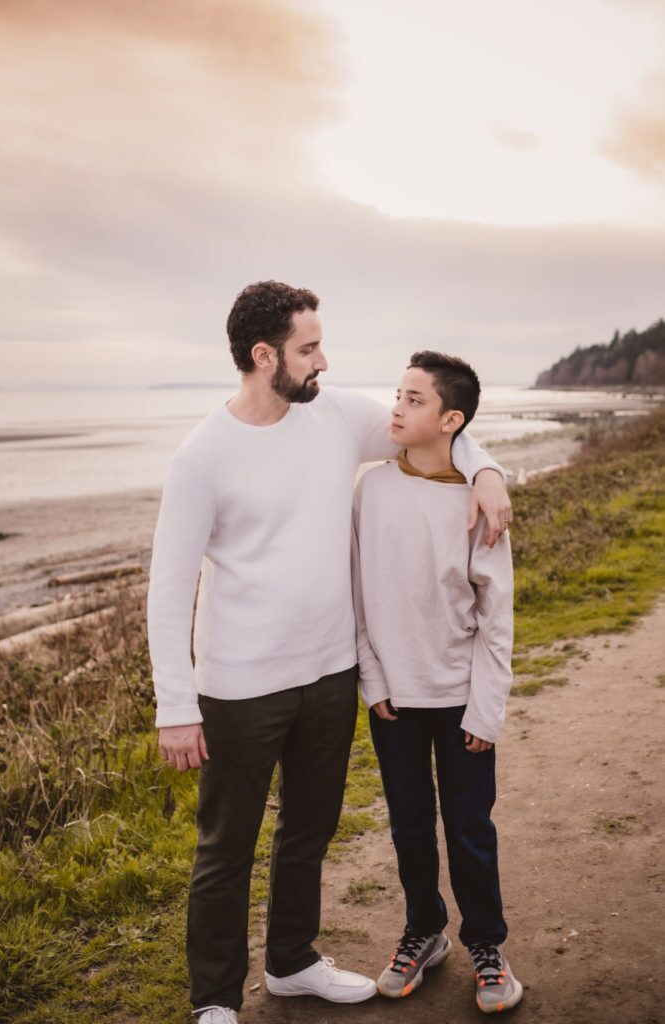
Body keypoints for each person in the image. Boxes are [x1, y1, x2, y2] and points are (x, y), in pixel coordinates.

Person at [147, 282, 513, 1024]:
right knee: (226, 850)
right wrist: (175, 705)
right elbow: (169, 586)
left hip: (329, 675)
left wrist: (487, 472)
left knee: (306, 834)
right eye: (309, 348)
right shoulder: (200, 458)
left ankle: (292, 963)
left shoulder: (335, 415)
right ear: (264, 356)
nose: (324, 360)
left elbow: (442, 427)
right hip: (240, 685)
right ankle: (215, 999)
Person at [351, 350, 523, 1014]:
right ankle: (423, 930)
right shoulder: (370, 489)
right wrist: (372, 680)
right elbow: (358, 595)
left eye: (414, 399)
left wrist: (485, 709)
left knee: (469, 830)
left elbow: (495, 617)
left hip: (459, 700)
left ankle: (486, 944)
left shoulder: (480, 506)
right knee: (408, 828)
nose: (395, 407)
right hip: (393, 699)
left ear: (450, 419)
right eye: (397, 394)